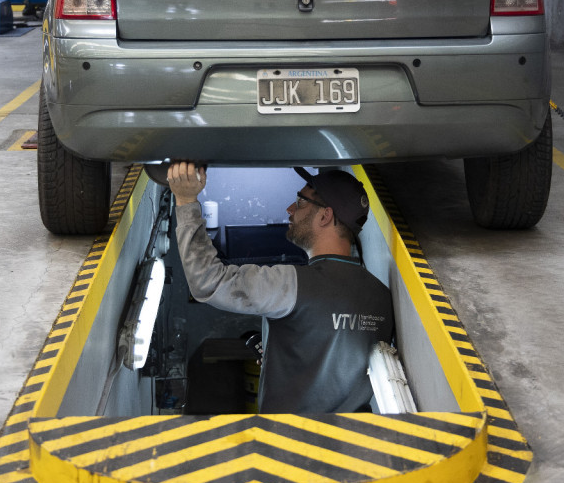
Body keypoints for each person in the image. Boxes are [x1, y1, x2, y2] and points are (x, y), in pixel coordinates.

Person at [168, 163, 395, 414]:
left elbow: (207, 281)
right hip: (354, 444)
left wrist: (186, 200)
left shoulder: (294, 283)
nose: (290, 210)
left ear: (325, 216)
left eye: (300, 202)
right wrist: (280, 357)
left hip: (288, 443)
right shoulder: (381, 297)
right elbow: (335, 352)